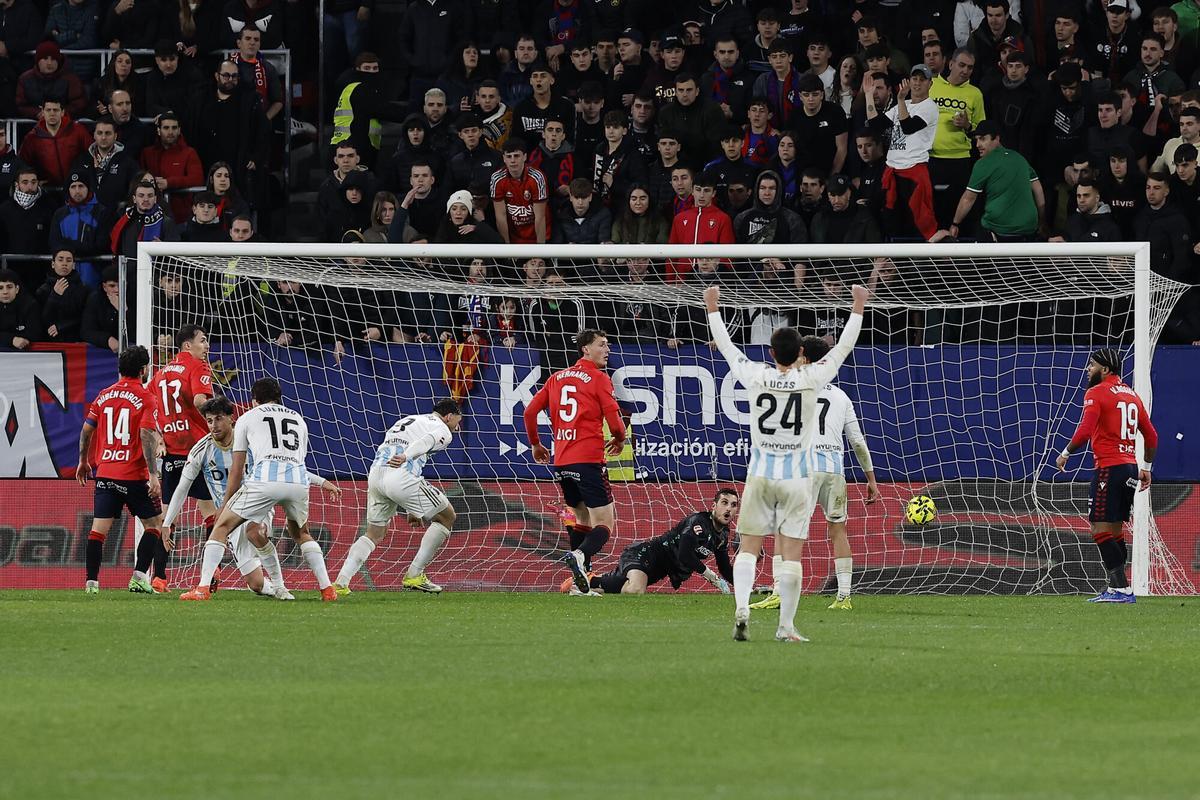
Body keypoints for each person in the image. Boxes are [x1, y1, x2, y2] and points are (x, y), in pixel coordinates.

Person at [705, 281, 870, 642]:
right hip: (797, 477)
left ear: (770, 351)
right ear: (799, 352)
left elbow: (729, 350)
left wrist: (713, 308)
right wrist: (857, 306)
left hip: (760, 474)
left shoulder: (756, 375)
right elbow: (842, 348)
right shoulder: (811, 377)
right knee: (791, 554)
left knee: (749, 547)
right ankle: (785, 627)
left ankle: (742, 607)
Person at [180, 377, 342, 602]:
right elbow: (296, 462)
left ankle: (202, 589)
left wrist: (225, 504)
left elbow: (237, 471)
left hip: (264, 481)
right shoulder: (298, 419)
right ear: (279, 397)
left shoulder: (248, 417)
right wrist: (321, 482)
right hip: (297, 482)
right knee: (301, 534)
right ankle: (327, 589)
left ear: (254, 400)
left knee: (221, 527)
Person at [751, 376, 881, 612]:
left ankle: (779, 592)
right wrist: (870, 478)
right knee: (838, 531)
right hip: (835, 472)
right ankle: (844, 597)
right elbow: (857, 441)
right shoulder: (842, 396)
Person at [523, 328, 627, 594]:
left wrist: (536, 444)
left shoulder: (556, 378)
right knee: (605, 523)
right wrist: (619, 438)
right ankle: (580, 557)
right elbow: (614, 420)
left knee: (580, 517)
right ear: (585, 349)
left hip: (563, 462)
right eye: (602, 345)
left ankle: (582, 581)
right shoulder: (598, 378)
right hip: (589, 460)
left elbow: (530, 412)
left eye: (608, 345)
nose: (607, 349)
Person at [1055, 349, 1158, 603]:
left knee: (1098, 529)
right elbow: (1152, 435)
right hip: (1130, 469)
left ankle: (1122, 589)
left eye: (1092, 365)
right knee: (1114, 530)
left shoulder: (1096, 393)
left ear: (1106, 370)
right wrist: (1146, 468)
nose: (1088, 370)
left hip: (1109, 469)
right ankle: (1115, 589)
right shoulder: (1132, 396)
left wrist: (1065, 452)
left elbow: (1086, 429)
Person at [333, 399, 465, 595]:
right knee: (447, 517)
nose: (458, 428)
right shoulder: (442, 428)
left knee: (374, 533)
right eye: (457, 422)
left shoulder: (409, 419)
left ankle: (340, 583)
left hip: (376, 474)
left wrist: (412, 508)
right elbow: (425, 442)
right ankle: (415, 574)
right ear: (449, 416)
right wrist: (406, 456)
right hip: (401, 472)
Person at [75, 345, 165, 594]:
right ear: (143, 369)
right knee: (155, 524)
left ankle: (91, 584)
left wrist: (83, 461)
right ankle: (138, 577)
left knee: (97, 530)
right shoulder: (147, 397)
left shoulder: (104, 395)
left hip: (105, 473)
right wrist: (153, 474)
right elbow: (146, 434)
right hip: (132, 476)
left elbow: (86, 430)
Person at [147, 324, 215, 592]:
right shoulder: (197, 366)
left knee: (168, 516)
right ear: (188, 345)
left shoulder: (161, 374)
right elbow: (200, 401)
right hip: (197, 450)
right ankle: (214, 572)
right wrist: (218, 415)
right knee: (210, 513)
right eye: (203, 340)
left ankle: (159, 577)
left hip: (172, 452)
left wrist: (160, 436)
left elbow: (149, 407)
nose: (206, 346)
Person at [583, 489, 738, 595]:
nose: (728, 509)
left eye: (733, 505)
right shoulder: (698, 522)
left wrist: (744, 587)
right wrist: (713, 578)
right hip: (645, 554)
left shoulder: (723, 535)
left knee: (626, 589)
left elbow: (724, 567)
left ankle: (584, 585)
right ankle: (590, 580)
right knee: (635, 590)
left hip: (659, 569)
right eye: (724, 502)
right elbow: (685, 555)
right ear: (714, 506)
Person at [869, 64, 940, 240]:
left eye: (922, 80)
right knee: (891, 219)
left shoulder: (930, 107)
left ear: (930, 84)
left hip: (914, 170)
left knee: (919, 220)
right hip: (893, 170)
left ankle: (923, 261)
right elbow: (875, 125)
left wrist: (900, 100)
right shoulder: (902, 105)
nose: (917, 83)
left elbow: (908, 127)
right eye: (914, 79)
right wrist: (869, 96)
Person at [947, 120, 1044, 241]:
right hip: (1029, 229)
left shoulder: (982, 164)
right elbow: (1039, 191)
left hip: (1000, 230)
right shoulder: (1019, 158)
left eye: (983, 139)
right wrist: (1041, 222)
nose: (977, 145)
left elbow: (968, 199)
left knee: (977, 227)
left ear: (997, 139)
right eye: (977, 140)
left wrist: (955, 224)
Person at [491, 138, 550, 244]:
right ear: (504, 158)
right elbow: (500, 217)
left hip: (538, 236)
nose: (513, 160)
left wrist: (540, 250)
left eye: (516, 156)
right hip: (514, 237)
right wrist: (507, 249)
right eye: (509, 156)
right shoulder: (497, 178)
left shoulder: (537, 177)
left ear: (525, 157)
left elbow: (540, 217)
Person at [36, 249, 90, 343]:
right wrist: (55, 296)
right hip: (49, 341)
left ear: (73, 265)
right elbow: (42, 320)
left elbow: (86, 318)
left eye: (68, 260)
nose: (64, 264)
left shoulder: (83, 289)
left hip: (76, 340)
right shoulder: (43, 290)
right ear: (53, 264)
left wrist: (62, 326)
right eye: (60, 260)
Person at [0, 268, 42, 350]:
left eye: (9, 287)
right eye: (0, 288)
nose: (5, 292)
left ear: (17, 289)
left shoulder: (30, 305)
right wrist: (11, 339)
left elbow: (35, 334)